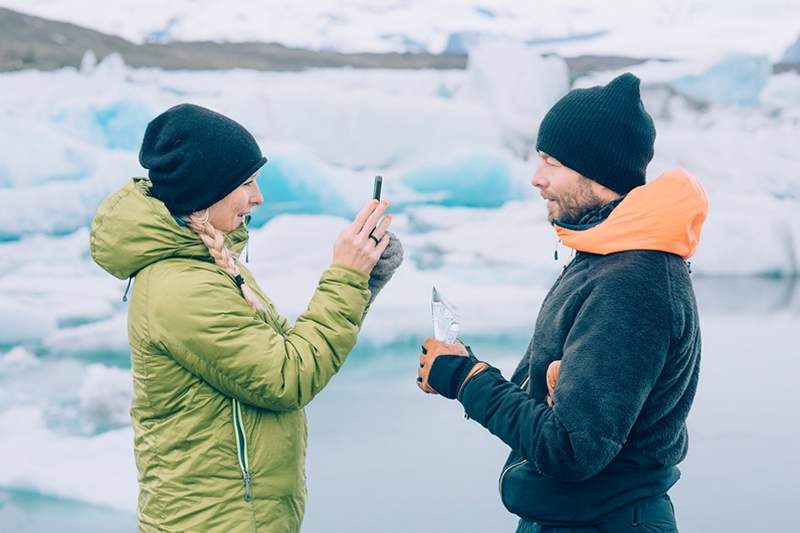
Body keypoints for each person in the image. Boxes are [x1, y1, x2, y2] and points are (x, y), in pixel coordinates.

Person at [90, 103, 403, 532]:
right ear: (207, 190)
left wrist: (363, 281)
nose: (258, 198)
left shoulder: (207, 265)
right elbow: (286, 377)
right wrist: (346, 275)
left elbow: (280, 354)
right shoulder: (182, 287)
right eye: (247, 183)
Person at [416, 73, 708, 532]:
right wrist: (463, 368)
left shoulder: (630, 282)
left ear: (596, 170)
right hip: (576, 517)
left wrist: (466, 379)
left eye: (551, 162)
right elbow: (542, 407)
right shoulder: (600, 260)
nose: (537, 178)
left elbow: (572, 450)